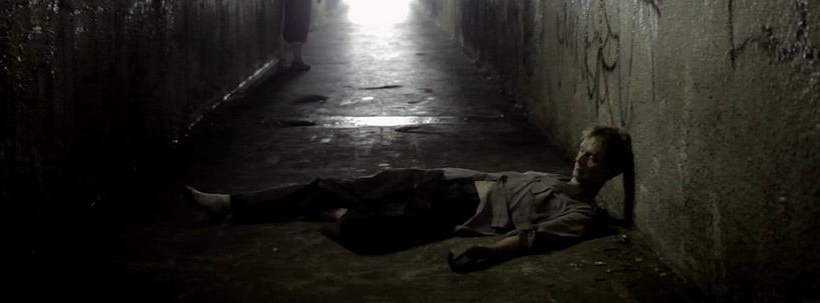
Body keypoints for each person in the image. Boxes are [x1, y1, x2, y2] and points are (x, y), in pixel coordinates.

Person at [184, 124, 634, 273]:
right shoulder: (549, 177)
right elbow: (494, 176)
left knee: (361, 231)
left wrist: (491, 251)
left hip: (456, 209)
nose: (581, 161)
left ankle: (333, 213)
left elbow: (532, 239)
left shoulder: (580, 214)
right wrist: (442, 171)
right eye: (581, 152)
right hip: (441, 182)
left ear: (610, 172)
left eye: (593, 159)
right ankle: (228, 203)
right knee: (327, 185)